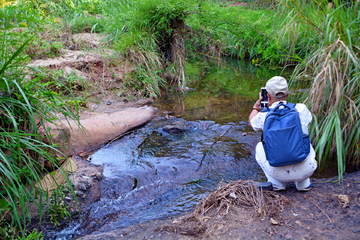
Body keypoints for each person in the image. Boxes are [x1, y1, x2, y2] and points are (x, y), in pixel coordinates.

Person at [249, 76, 317, 191]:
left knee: (260, 146)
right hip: (306, 170)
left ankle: (276, 183)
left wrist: (255, 108)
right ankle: (303, 183)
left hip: (277, 172)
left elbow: (252, 123)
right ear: (287, 94)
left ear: (268, 96)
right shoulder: (301, 109)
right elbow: (307, 122)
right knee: (303, 138)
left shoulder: (264, 115)